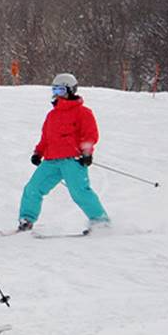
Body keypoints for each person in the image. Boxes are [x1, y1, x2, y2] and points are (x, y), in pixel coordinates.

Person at [15, 72, 108, 233]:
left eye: (60, 90)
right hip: (51, 161)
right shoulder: (52, 115)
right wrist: (38, 152)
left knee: (79, 192)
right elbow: (46, 137)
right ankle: (26, 220)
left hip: (73, 160)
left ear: (71, 90)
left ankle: (100, 222)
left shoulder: (83, 112)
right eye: (54, 90)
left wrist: (87, 153)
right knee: (32, 188)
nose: (56, 94)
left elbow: (90, 135)